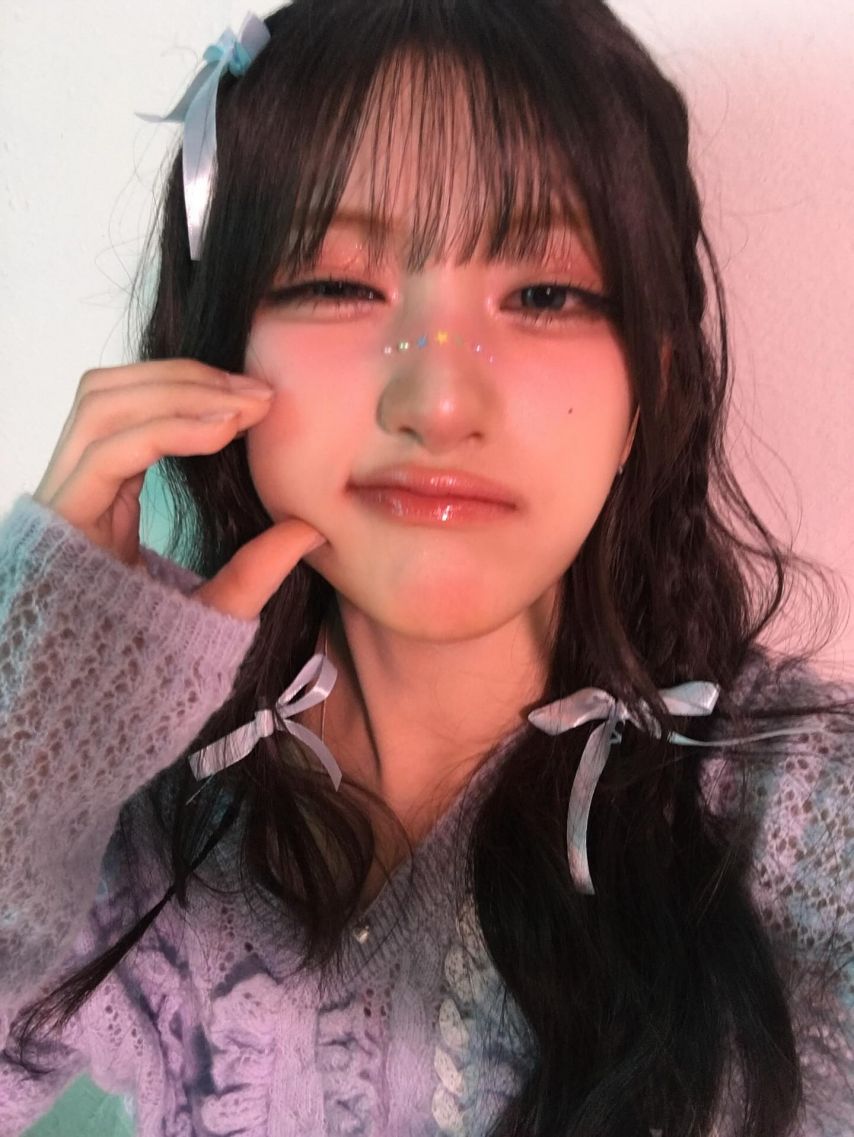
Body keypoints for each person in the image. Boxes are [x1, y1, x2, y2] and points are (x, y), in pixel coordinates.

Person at [0, 1, 851, 1134]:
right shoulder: (128, 801)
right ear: (214, 346)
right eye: (337, 284)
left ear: (648, 382)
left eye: (545, 294)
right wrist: (33, 718)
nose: (437, 402)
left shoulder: (800, 818)